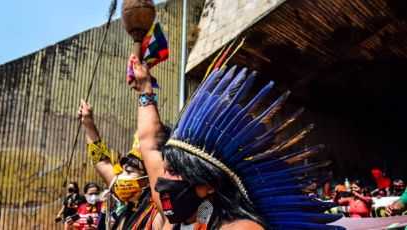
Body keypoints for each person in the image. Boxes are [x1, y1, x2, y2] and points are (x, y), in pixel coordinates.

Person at [131, 55, 343, 229]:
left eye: (175, 171)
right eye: (167, 169)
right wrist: (145, 87)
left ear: (210, 185)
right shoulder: (182, 218)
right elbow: (148, 143)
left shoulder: (240, 228)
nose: (162, 178)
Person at [78, 101, 166, 230]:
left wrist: (145, 91)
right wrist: (88, 122)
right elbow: (101, 161)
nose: (122, 177)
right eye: (124, 171)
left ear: (149, 179)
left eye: (130, 171)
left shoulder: (160, 214)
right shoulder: (131, 204)